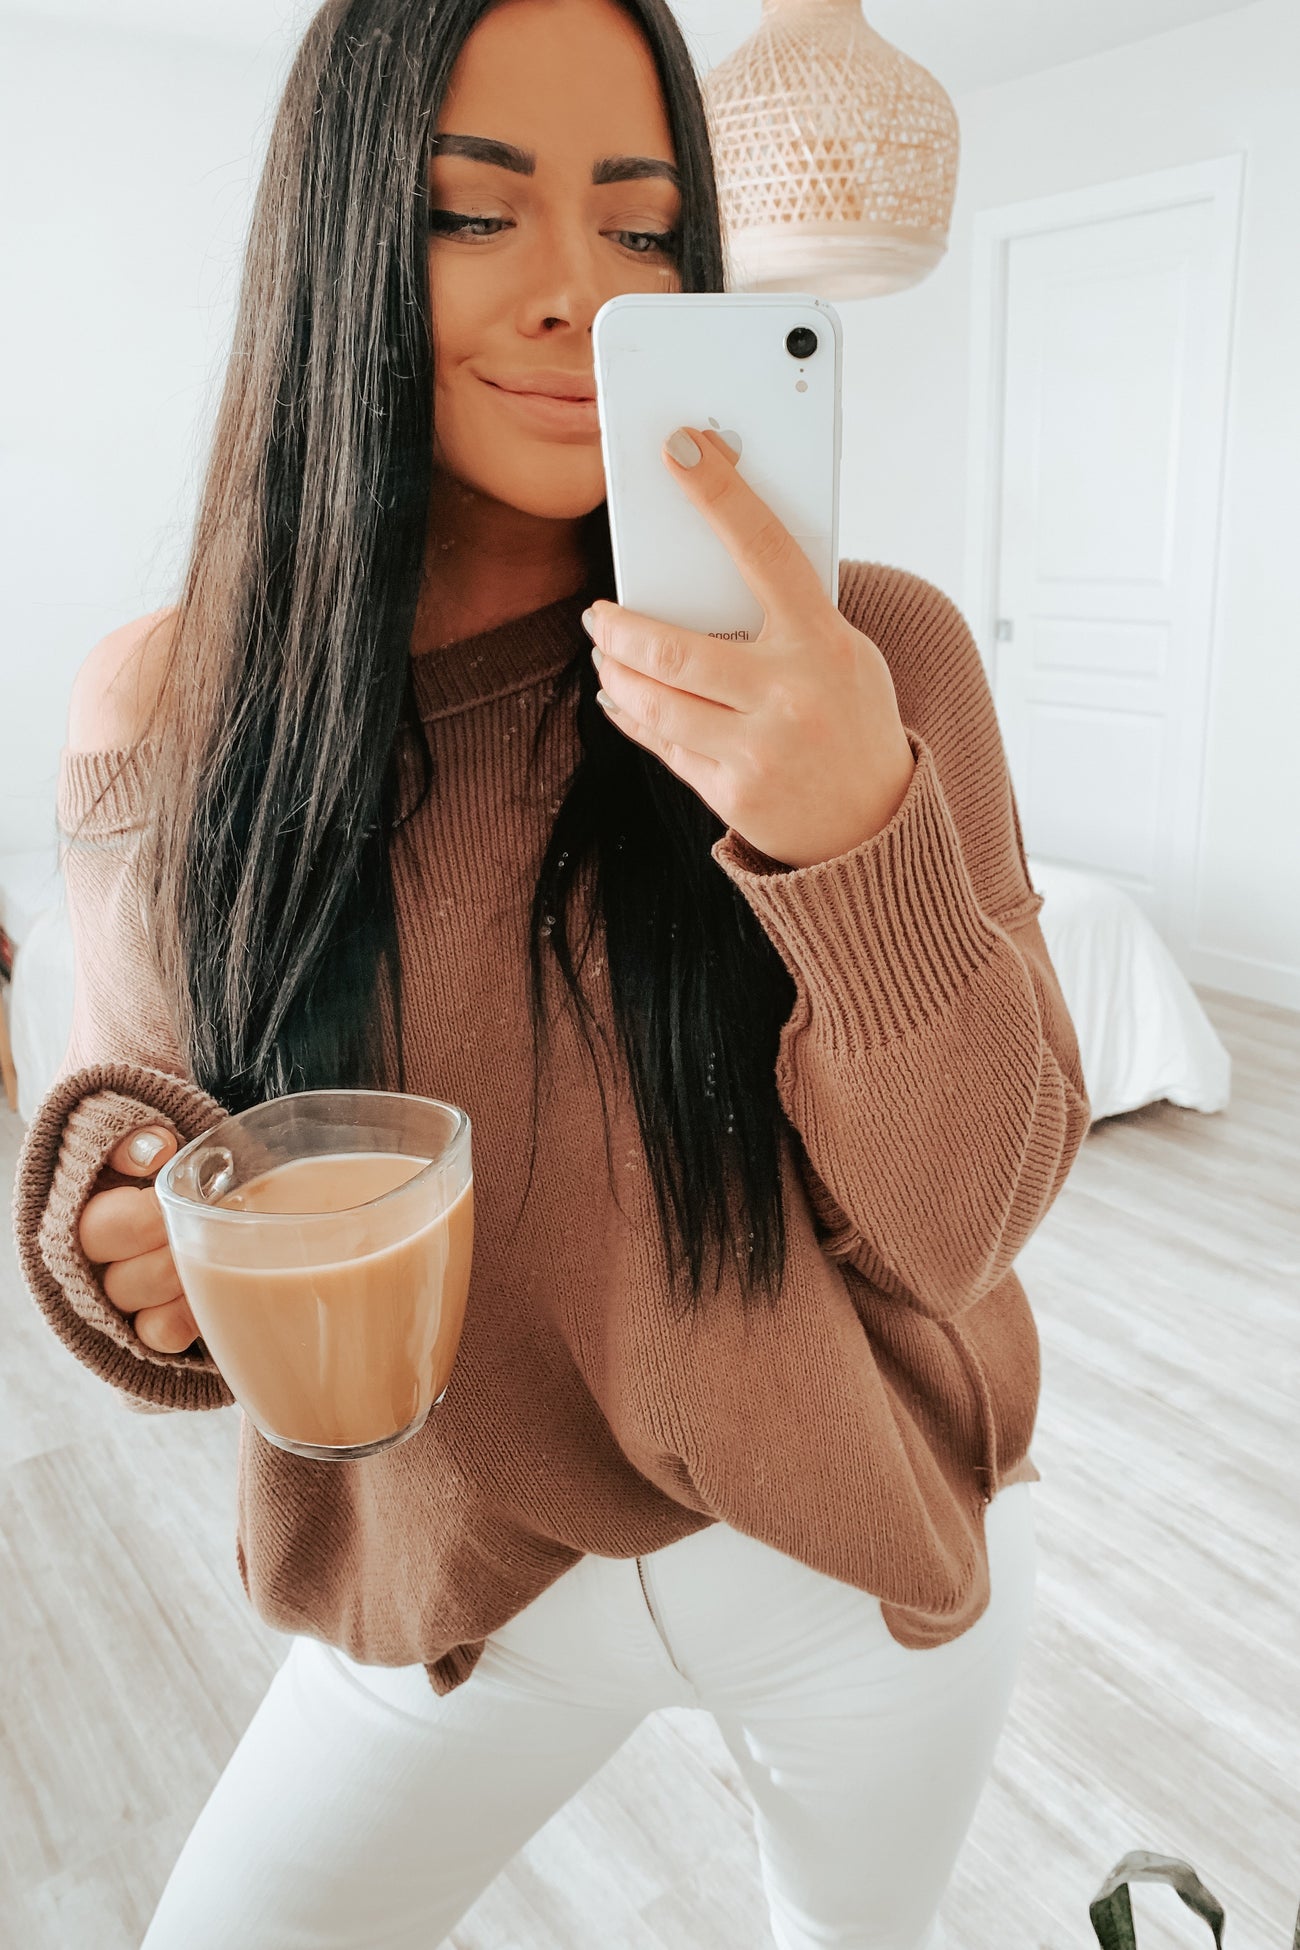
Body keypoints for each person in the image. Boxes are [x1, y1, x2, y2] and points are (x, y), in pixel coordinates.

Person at [11, 0, 1092, 1944]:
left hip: (851, 1554)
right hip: (453, 1567)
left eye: (643, 225)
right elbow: (147, 1103)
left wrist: (853, 833)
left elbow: (962, 1225)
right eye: (473, 212)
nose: (576, 295)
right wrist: (127, 1226)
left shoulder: (875, 659)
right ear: (342, 233)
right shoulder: (171, 707)